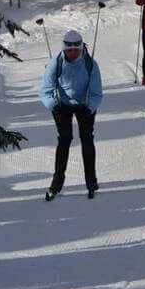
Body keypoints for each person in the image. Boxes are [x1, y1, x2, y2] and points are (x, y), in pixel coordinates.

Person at [39, 29, 103, 200]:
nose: (73, 54)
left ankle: (91, 183)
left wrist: (90, 107)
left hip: (85, 105)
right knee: (65, 139)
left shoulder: (90, 64)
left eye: (76, 50)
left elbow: (97, 92)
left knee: (87, 138)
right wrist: (54, 105)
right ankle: (56, 185)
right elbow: (45, 91)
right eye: (69, 50)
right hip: (63, 106)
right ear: (64, 49)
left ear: (81, 49)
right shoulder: (56, 64)